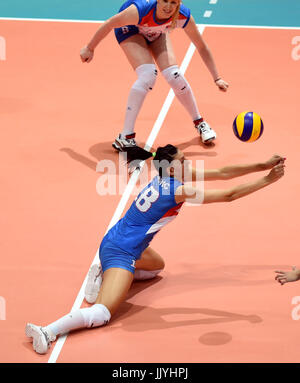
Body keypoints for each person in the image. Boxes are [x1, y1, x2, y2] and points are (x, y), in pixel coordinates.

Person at [25, 146, 285, 354]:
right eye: (183, 159)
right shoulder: (179, 190)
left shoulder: (164, 177)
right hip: (122, 253)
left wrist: (263, 164)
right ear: (171, 166)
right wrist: (267, 179)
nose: (187, 162)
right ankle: (47, 331)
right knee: (102, 313)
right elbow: (228, 195)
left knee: (157, 268)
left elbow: (225, 172)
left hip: (116, 239)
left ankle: (102, 277)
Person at [80, 0, 229, 151]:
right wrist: (90, 48)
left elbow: (201, 46)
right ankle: (125, 137)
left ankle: (199, 123)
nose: (168, 6)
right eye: (164, 1)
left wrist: (216, 78)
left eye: (173, 2)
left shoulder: (182, 16)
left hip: (156, 31)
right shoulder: (139, 10)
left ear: (179, 3)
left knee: (174, 75)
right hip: (131, 29)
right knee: (148, 75)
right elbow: (109, 23)